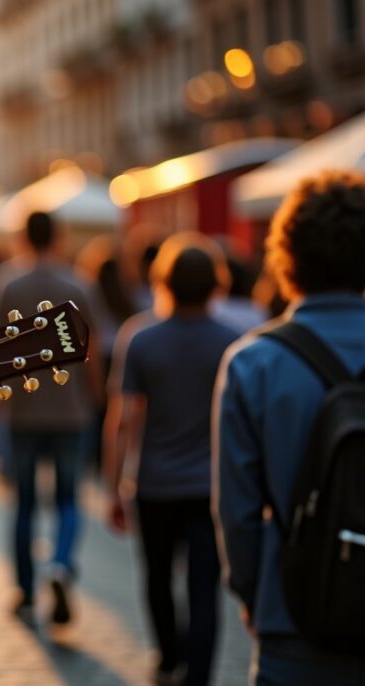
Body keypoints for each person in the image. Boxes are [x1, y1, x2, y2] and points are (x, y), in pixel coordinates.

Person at [214, 170, 365, 684]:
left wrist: (256, 594)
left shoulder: (252, 362)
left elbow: (237, 511)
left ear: (285, 255)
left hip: (292, 615)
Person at [105, 233, 240, 686]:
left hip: (154, 482)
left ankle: (167, 657)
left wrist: (113, 486)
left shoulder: (141, 338)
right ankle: (199, 674)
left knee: (158, 577)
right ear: (215, 284)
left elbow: (123, 421)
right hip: (211, 486)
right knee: (206, 587)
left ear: (163, 280)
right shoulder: (233, 343)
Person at [0, 210, 104, 626]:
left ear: (22, 235)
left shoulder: (6, 283)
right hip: (71, 410)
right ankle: (61, 563)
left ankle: (24, 589)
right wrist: (95, 396)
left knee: (25, 502)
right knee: (69, 498)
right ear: (59, 235)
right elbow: (94, 349)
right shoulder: (78, 284)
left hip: (22, 411)